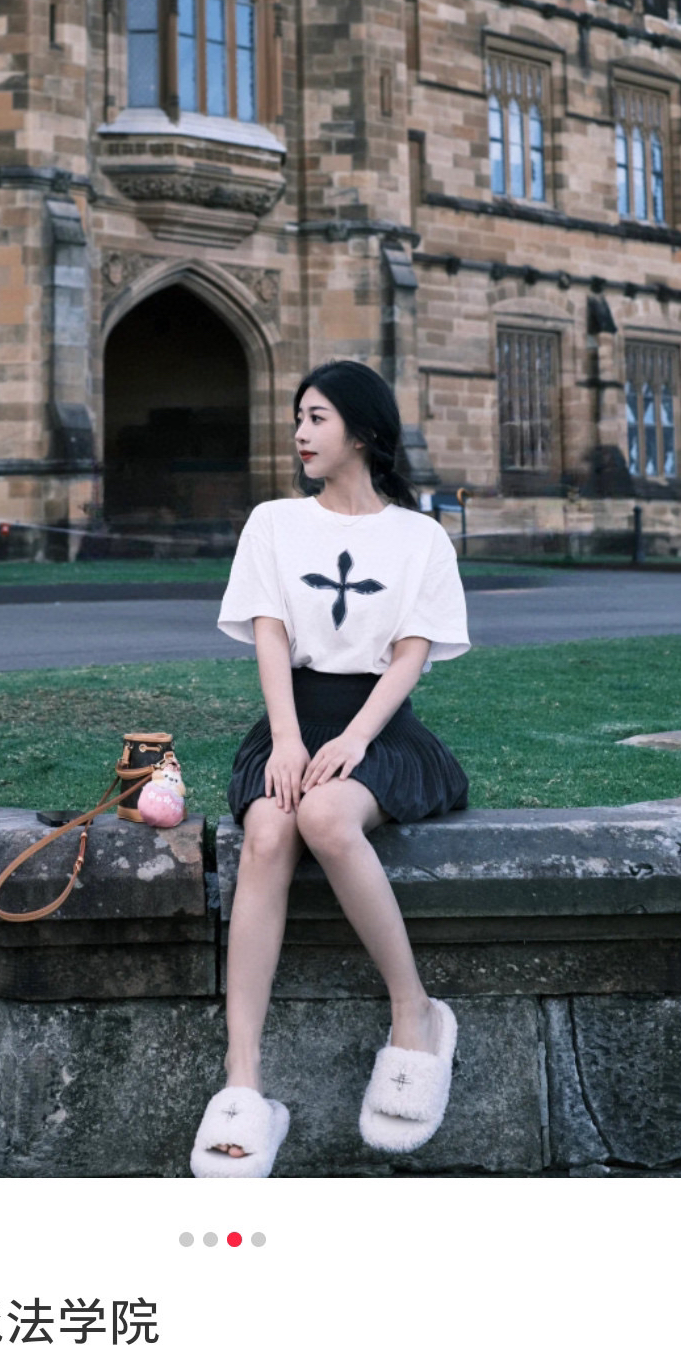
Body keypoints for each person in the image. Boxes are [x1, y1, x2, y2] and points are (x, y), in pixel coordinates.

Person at [189, 359, 470, 1178]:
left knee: (323, 816)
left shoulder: (420, 537)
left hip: (378, 729)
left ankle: (415, 1014)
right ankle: (242, 1081)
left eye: (316, 418)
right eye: (297, 418)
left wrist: (352, 740)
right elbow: (269, 631)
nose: (300, 434)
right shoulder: (274, 522)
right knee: (269, 830)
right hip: (290, 721)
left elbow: (411, 652)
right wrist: (286, 739)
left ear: (362, 431)